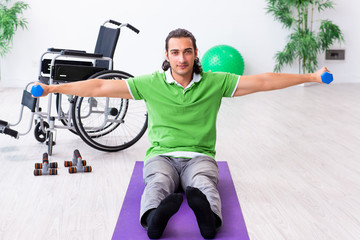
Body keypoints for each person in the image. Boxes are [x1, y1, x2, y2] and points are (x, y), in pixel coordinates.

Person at [34, 28, 331, 239]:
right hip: (161, 156)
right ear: (167, 55)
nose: (181, 58)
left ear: (195, 53)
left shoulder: (216, 81)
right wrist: (52, 88)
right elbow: (99, 86)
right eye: (175, 52)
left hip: (200, 155)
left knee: (203, 183)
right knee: (159, 181)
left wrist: (311, 77)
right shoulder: (150, 83)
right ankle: (154, 220)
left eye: (187, 51)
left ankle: (208, 221)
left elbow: (264, 81)